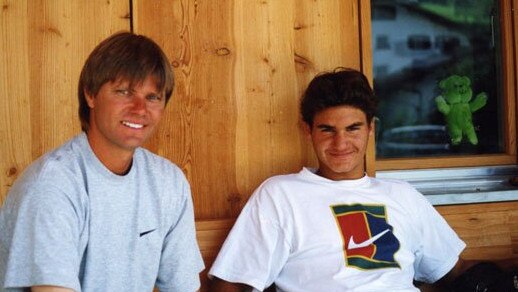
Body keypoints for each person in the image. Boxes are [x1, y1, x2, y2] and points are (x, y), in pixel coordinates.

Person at [208, 68, 469, 291]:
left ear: (370, 128)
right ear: (308, 130)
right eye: (327, 130)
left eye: (353, 128)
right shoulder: (280, 195)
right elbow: (230, 283)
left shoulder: (403, 195)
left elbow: (453, 272)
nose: (340, 143)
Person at [0, 32, 204, 291]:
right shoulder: (53, 184)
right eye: (124, 92)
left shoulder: (169, 182)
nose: (140, 108)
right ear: (90, 95)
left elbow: (183, 288)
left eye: (153, 97)